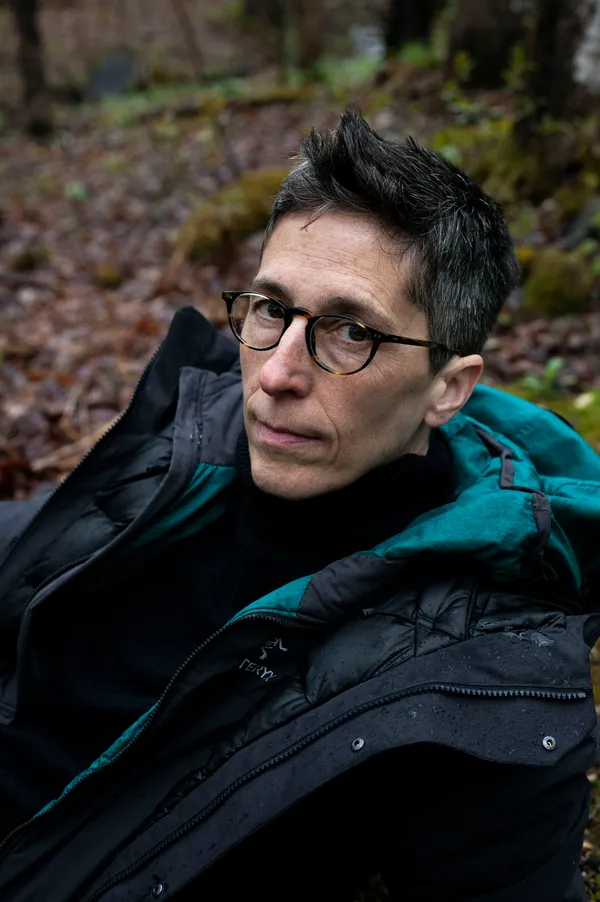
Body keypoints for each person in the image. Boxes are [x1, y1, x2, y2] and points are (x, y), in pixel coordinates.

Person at [0, 109, 599, 902]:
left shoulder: (486, 674)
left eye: (351, 332)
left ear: (448, 388)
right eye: (272, 309)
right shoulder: (189, 443)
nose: (277, 374)